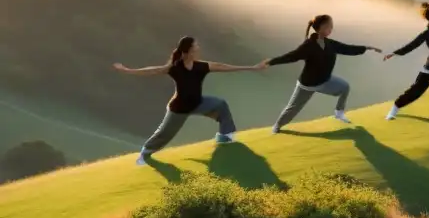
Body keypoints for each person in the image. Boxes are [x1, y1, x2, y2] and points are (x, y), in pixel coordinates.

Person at [114, 36, 264, 165]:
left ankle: (225, 136)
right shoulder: (174, 67)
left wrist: (251, 67)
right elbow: (152, 70)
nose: (198, 47)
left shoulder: (201, 66)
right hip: (179, 109)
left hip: (198, 103)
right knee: (164, 134)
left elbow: (221, 66)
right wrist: (128, 71)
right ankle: (144, 154)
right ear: (189, 50)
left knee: (220, 105)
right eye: (195, 45)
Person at [264, 14, 382, 134]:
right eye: (327, 27)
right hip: (308, 85)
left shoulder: (330, 43)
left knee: (345, 87)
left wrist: (366, 48)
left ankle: (338, 113)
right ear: (319, 28)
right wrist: (270, 62)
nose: (330, 29)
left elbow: (347, 49)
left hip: (325, 80)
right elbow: (291, 56)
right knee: (292, 109)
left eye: (331, 27)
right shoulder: (309, 45)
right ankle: (277, 126)